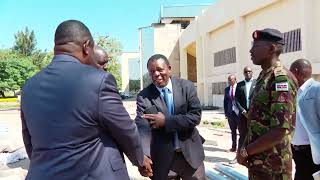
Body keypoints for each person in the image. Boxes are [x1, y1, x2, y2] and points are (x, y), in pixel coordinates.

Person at [20, 20, 152, 180]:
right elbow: (125, 129)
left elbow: (29, 140)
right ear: (86, 46)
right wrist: (140, 160)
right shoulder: (98, 81)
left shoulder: (29, 86)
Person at [237, 28, 298, 179]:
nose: (251, 50)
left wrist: (246, 151)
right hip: (259, 164)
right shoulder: (264, 76)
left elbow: (279, 130)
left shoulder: (280, 79)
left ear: (271, 48)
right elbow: (255, 121)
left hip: (274, 167)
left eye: (256, 46)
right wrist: (245, 147)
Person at [135, 54, 205, 180]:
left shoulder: (187, 87)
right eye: (152, 71)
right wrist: (144, 156)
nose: (156, 74)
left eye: (160, 69)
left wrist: (167, 121)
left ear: (169, 68)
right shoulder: (143, 96)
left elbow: (195, 117)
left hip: (190, 156)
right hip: (162, 160)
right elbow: (142, 128)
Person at [290, 59, 320, 180]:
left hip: (312, 153)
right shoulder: (295, 91)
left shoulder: (317, 89)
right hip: (297, 153)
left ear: (296, 72)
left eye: (290, 73)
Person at [235, 66, 256, 150]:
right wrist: (243, 111)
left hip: (254, 114)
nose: (248, 73)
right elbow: (236, 100)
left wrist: (252, 111)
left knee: (254, 135)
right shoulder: (240, 85)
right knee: (242, 135)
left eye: (249, 71)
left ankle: (252, 154)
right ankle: (239, 155)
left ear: (252, 72)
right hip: (243, 115)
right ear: (244, 73)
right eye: (246, 72)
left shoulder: (257, 83)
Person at [224, 74, 239, 152]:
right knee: (233, 131)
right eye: (228, 80)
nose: (229, 81)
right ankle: (233, 147)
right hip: (230, 113)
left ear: (235, 80)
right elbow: (225, 102)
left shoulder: (239, 87)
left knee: (242, 131)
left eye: (230, 80)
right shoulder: (227, 89)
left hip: (239, 113)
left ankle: (241, 148)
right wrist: (226, 113)